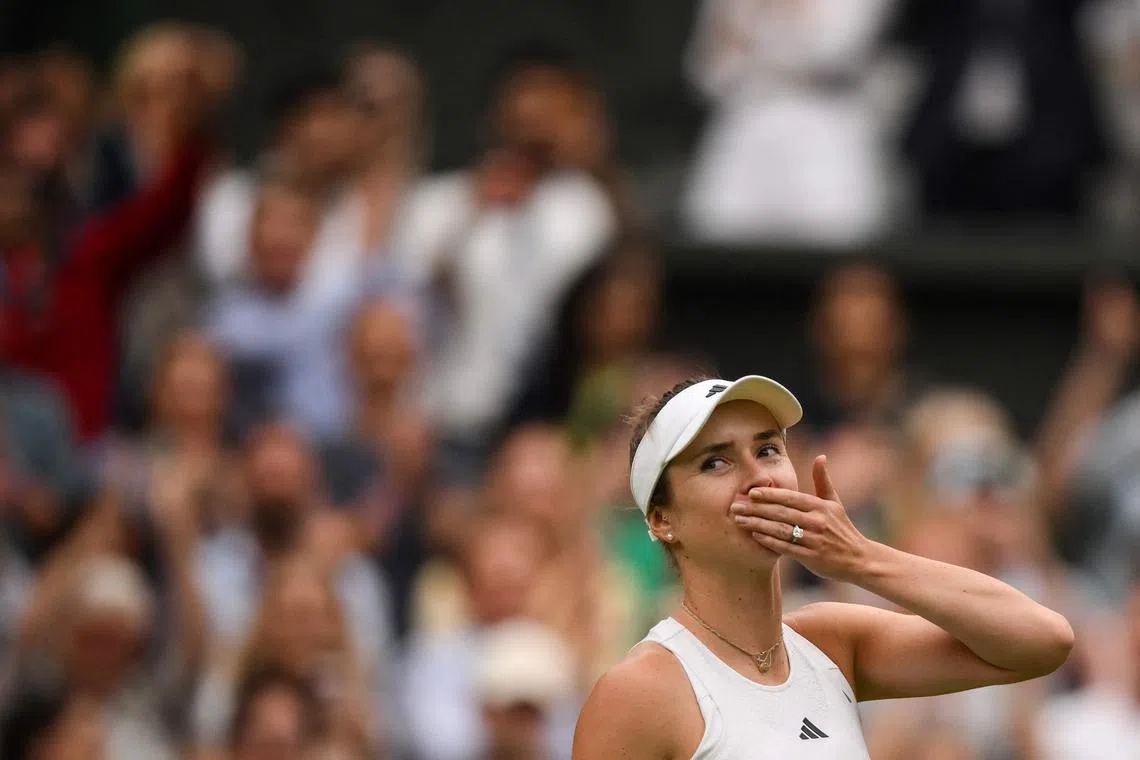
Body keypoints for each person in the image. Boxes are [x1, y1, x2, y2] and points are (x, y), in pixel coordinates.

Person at [573, 375, 1075, 759]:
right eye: (716, 462)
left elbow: (1042, 640)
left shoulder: (831, 642)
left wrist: (862, 558)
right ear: (662, 520)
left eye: (768, 449)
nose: (757, 478)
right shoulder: (639, 690)